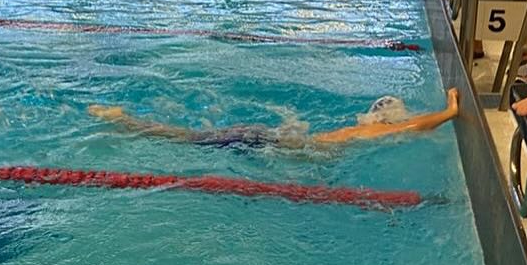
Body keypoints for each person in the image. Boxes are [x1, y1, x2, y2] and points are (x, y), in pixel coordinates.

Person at [89, 88, 460, 150]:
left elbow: (411, 125)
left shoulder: (357, 130)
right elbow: (414, 126)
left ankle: (128, 122)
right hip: (275, 143)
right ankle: (126, 122)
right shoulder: (365, 135)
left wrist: (446, 111)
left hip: (275, 140)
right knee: (190, 139)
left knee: (194, 137)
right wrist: (448, 112)